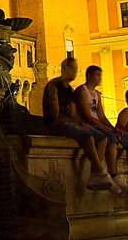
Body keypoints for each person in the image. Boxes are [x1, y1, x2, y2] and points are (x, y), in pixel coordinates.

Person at [42, 58, 118, 193]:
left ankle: (95, 175)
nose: (75, 72)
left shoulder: (70, 89)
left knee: (102, 138)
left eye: (76, 69)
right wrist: (75, 123)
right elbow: (55, 114)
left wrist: (80, 122)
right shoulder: (53, 85)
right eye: (72, 68)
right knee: (87, 136)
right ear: (64, 68)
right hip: (55, 124)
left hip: (68, 122)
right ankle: (101, 172)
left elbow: (73, 112)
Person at [74, 66, 128, 193]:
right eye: (97, 75)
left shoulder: (97, 94)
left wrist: (113, 128)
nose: (100, 78)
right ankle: (112, 175)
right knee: (111, 138)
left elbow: (101, 116)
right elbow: (88, 116)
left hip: (99, 124)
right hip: (89, 124)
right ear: (89, 76)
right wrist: (108, 129)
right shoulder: (82, 90)